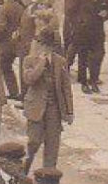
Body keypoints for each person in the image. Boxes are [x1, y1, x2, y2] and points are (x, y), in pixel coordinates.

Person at [22, 24, 75, 168]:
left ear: (52, 46)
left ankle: (47, 179)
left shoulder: (60, 62)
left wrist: (69, 112)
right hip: (35, 107)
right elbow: (29, 79)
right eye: (42, 44)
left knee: (52, 145)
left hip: (54, 109)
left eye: (48, 45)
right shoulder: (29, 60)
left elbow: (66, 88)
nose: (44, 48)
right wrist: (41, 63)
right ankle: (22, 171)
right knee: (33, 142)